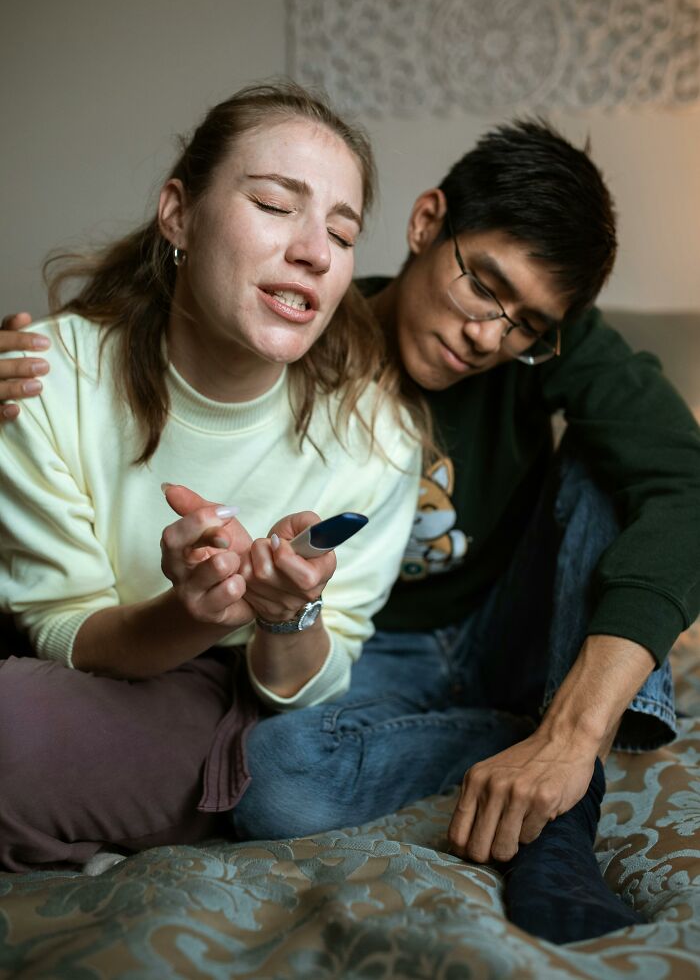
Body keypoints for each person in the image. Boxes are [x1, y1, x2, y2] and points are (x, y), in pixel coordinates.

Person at [4, 119, 699, 944]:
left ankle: (564, 789)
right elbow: (160, 345)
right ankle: (520, 736)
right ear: (425, 222)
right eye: (483, 286)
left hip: (509, 624)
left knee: (617, 465)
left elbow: (683, 481)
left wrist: (574, 737)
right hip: (370, 655)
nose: (490, 334)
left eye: (523, 322)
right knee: (272, 784)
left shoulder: (544, 345)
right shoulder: (301, 322)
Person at [0, 82, 421, 873]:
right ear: (178, 214)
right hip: (79, 661)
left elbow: (309, 690)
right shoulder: (44, 380)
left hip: (221, 696)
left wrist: (284, 615)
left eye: (341, 229)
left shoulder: (377, 439)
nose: (316, 251)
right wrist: (186, 610)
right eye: (273, 203)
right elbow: (62, 629)